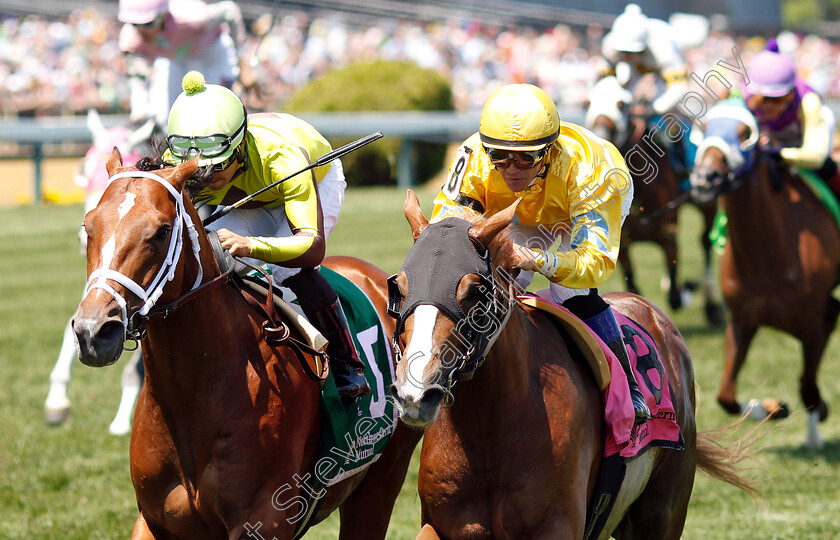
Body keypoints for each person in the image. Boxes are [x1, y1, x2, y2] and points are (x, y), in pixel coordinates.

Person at [432, 83, 650, 425]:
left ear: (548, 151)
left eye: (525, 157)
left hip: (581, 204)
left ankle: (628, 384)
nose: (511, 169)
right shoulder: (472, 154)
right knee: (493, 280)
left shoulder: (595, 172)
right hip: (521, 211)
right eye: (499, 156)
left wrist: (536, 259)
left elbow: (595, 264)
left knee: (570, 290)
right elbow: (445, 225)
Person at [162, 71, 370, 398]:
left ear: (241, 147)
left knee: (291, 268)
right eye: (198, 166)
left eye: (218, 166)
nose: (206, 176)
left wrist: (251, 245)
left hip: (313, 181)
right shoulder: (182, 161)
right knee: (212, 261)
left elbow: (311, 248)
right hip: (252, 195)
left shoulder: (284, 157)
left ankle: (348, 362)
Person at [117, 0, 256, 130]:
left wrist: (243, 63)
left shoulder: (191, 17)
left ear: (164, 16)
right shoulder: (131, 37)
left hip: (211, 51)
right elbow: (137, 77)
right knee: (165, 117)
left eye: (148, 24)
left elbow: (230, 11)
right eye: (135, 23)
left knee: (215, 112)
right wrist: (139, 113)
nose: (141, 30)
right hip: (175, 60)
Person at [587, 4, 690, 173]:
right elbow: (605, 80)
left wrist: (653, 108)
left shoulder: (663, 50)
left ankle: (681, 165)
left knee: (671, 123)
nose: (626, 55)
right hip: (634, 74)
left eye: (631, 51)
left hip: (662, 78)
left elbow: (678, 88)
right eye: (623, 51)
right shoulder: (610, 46)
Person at [740, 40, 840, 194]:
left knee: (827, 169)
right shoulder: (743, 98)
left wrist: (780, 153)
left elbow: (816, 155)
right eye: (762, 99)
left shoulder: (808, 101)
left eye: (777, 99)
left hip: (805, 145)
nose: (769, 106)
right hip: (776, 144)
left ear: (791, 93)